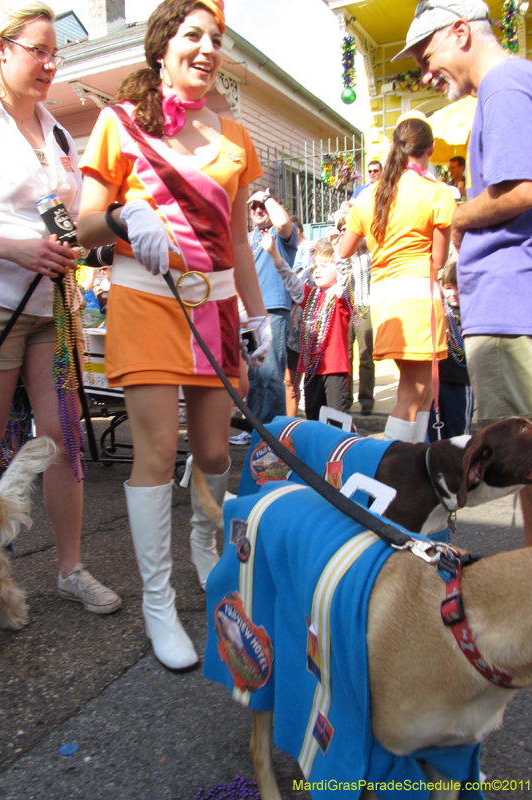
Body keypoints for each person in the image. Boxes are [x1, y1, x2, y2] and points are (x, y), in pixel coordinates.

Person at [76, 0, 269, 670]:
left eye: (216, 38)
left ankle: (204, 542)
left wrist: (257, 312)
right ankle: (160, 604)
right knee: (157, 455)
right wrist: (126, 214)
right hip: (147, 301)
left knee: (215, 454)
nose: (207, 48)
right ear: (162, 46)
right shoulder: (118, 124)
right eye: (193, 35)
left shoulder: (237, 138)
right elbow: (82, 225)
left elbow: (240, 238)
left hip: (215, 311)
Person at [0, 2, 120, 614]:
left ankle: (70, 570)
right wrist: (14, 250)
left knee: (65, 435)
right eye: (39, 49)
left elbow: (63, 221)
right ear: (2, 50)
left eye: (54, 51)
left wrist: (106, 231)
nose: (51, 61)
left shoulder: (58, 132)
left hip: (55, 306)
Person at [399, 0, 532, 545]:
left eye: (426, 55)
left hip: (511, 304)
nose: (424, 72)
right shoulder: (513, 83)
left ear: (460, 31)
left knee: (526, 461)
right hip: (514, 293)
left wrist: (459, 216)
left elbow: (524, 188)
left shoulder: (502, 85)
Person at [338, 117, 456, 443]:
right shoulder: (437, 193)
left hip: (385, 301)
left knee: (424, 392)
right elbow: (439, 260)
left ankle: (414, 462)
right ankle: (394, 469)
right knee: (412, 393)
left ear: (394, 148)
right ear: (430, 150)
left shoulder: (369, 195)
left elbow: (345, 249)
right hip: (418, 298)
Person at [265, 236, 351, 421]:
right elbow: (289, 278)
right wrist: (274, 253)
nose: (317, 270)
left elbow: (343, 278)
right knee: (313, 418)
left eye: (325, 266)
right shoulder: (311, 296)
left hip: (334, 370)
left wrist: (341, 251)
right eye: (315, 267)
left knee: (337, 421)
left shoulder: (340, 298)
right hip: (313, 370)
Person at [245, 190, 297, 425]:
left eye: (262, 206)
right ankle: (254, 429)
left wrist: (266, 197)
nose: (257, 210)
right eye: (253, 206)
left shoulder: (280, 234)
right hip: (248, 314)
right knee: (254, 376)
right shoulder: (246, 238)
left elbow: (284, 221)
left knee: (272, 376)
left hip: (273, 310)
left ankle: (272, 434)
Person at [336, 205, 375, 415]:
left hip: (362, 306)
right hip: (344, 308)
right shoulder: (338, 254)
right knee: (345, 355)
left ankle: (366, 398)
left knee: (366, 353)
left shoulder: (366, 251)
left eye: (348, 230)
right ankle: (345, 397)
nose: (344, 234)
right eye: (342, 230)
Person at [427, 261, 472, 441]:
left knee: (459, 433)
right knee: (433, 433)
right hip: (437, 381)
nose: (453, 293)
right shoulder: (437, 310)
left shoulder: (471, 313)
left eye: (458, 288)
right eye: (448, 287)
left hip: (461, 381)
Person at [285, 215, 312, 416]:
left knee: (294, 382)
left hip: (300, 330)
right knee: (287, 381)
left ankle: (291, 426)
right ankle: (286, 426)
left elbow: (301, 281)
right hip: (283, 326)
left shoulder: (307, 252)